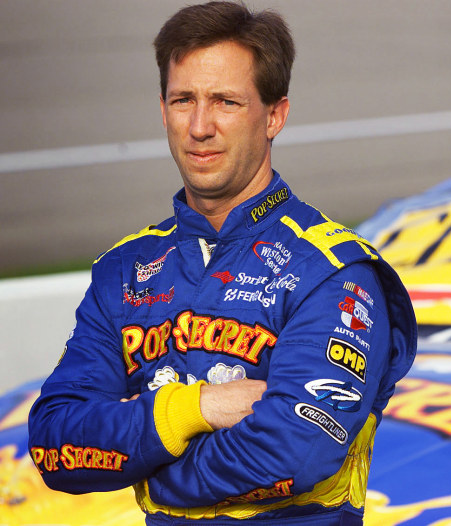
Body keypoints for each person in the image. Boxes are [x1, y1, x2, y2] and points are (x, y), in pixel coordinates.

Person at [27, 2, 417, 525]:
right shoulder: (124, 271)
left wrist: (144, 468)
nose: (200, 126)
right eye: (182, 100)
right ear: (162, 109)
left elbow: (294, 452)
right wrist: (195, 409)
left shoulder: (334, 273)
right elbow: (55, 443)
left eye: (226, 102)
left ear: (275, 114)